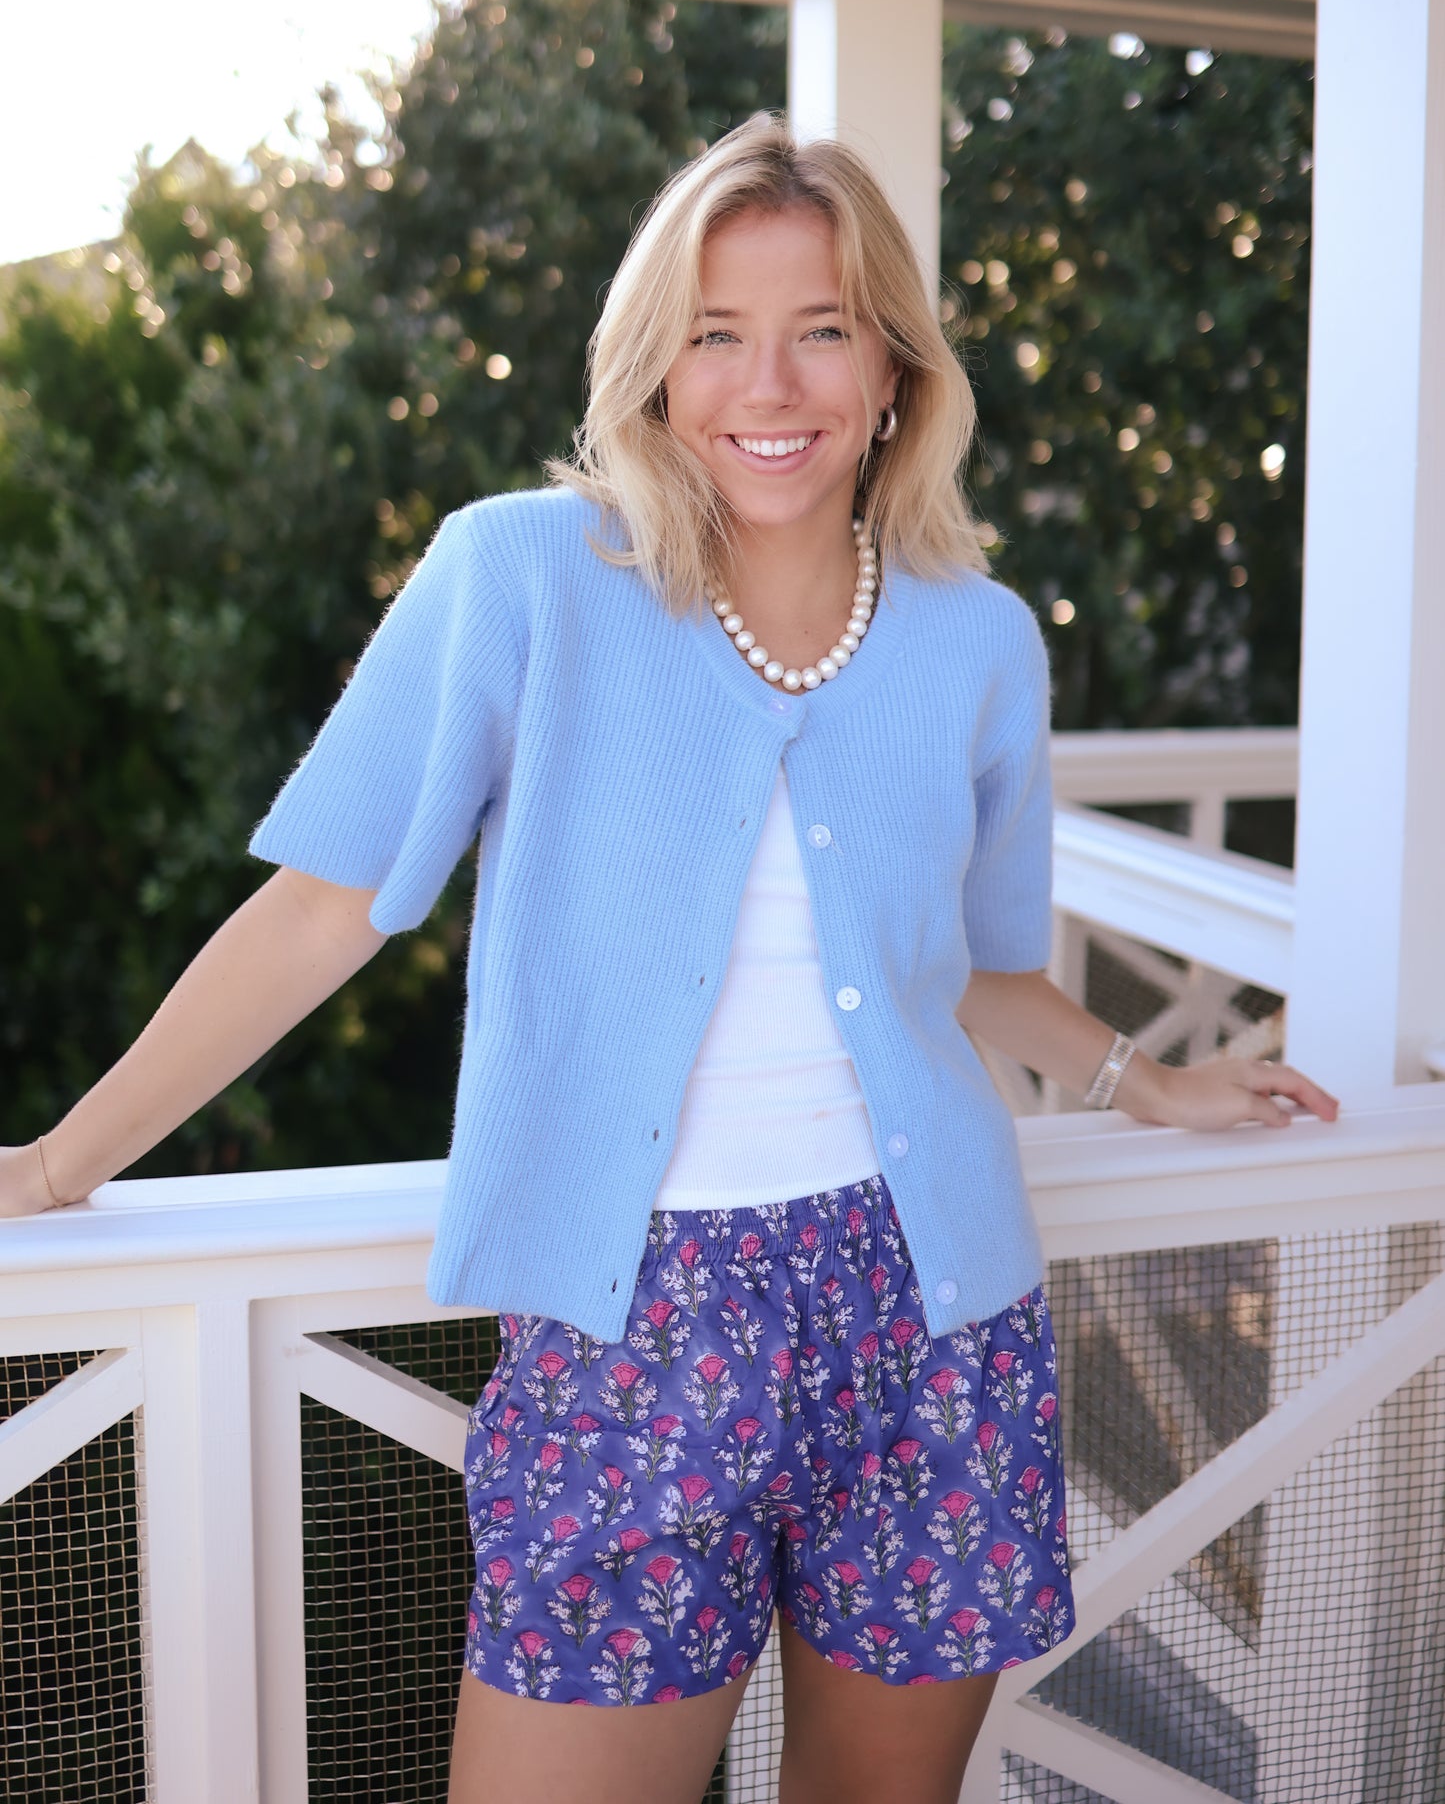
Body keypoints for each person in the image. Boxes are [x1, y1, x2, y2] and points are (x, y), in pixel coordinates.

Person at [0, 118, 1338, 1804]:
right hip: (638, 1324)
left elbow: (978, 974)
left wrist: (1149, 1083)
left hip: (936, 1317)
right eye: (714, 332)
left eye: (820, 328)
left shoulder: (975, 638)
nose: (765, 384)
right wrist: (59, 1163)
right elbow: (328, 906)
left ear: (893, 367)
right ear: (653, 361)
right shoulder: (522, 576)